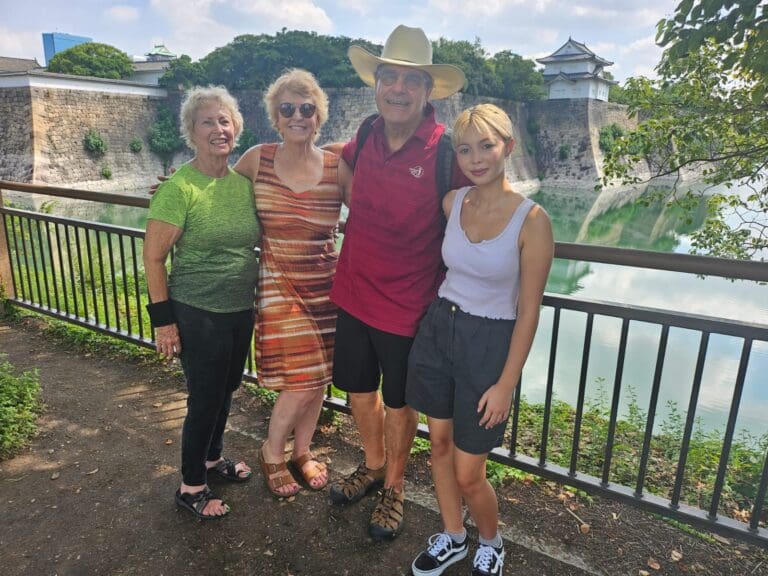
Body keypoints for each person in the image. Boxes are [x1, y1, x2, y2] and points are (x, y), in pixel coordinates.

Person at [327, 25, 470, 540]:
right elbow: (334, 162)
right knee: (360, 394)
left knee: (399, 403)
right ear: (377, 84)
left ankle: (393, 485)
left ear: (428, 91)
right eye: (390, 77)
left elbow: (481, 205)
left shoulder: (446, 150)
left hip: (409, 305)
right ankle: (370, 463)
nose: (399, 89)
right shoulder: (366, 133)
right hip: (354, 291)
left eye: (411, 81)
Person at [406, 104, 553, 576]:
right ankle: (453, 535)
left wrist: (506, 383)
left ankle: (491, 540)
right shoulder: (454, 203)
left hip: (489, 343)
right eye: (465, 149)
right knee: (440, 444)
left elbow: (528, 311)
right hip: (439, 330)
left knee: (470, 472)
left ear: (508, 147)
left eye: (486, 146)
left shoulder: (532, 221)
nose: (476, 158)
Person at [143, 86, 261, 520]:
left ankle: (213, 460)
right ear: (191, 131)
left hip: (237, 309)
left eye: (225, 121)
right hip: (197, 311)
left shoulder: (241, 184)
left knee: (226, 388)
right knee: (204, 398)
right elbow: (153, 257)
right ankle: (191, 485)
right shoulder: (179, 188)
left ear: (237, 129)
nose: (219, 129)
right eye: (208, 122)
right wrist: (164, 323)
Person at [233, 69, 349, 498]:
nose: (298, 116)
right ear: (275, 117)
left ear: (319, 116)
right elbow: (217, 194)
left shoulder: (337, 165)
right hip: (279, 285)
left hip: (325, 286)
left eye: (307, 108)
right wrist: (174, 188)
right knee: (301, 380)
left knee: (317, 379)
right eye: (288, 109)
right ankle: (272, 451)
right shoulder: (256, 159)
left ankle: (303, 450)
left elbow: (373, 210)